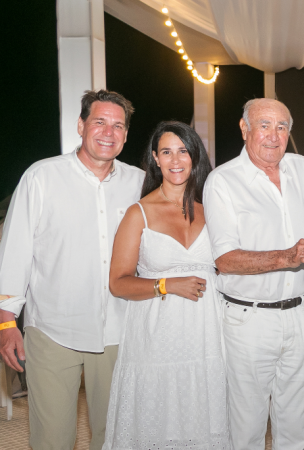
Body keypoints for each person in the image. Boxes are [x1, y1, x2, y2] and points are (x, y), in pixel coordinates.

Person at [0, 90, 144, 450]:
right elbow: (14, 252)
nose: (108, 132)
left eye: (118, 126)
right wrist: (6, 323)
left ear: (126, 135)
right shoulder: (41, 177)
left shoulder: (141, 184)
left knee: (115, 437)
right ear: (81, 125)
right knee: (52, 439)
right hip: (53, 330)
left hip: (120, 331)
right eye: (99, 122)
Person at [203, 98, 304, 449]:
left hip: (303, 314)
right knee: (247, 426)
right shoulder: (223, 181)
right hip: (250, 320)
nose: (274, 135)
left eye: (282, 127)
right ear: (244, 128)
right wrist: (287, 257)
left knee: (296, 424)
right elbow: (225, 260)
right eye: (264, 125)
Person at [103, 121, 229, 448]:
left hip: (208, 334)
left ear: (195, 157)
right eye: (167, 152)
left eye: (183, 151)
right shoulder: (139, 213)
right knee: (158, 421)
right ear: (155, 159)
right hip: (157, 335)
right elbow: (118, 282)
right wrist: (166, 285)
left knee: (205, 416)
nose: (175, 160)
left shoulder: (212, 210)